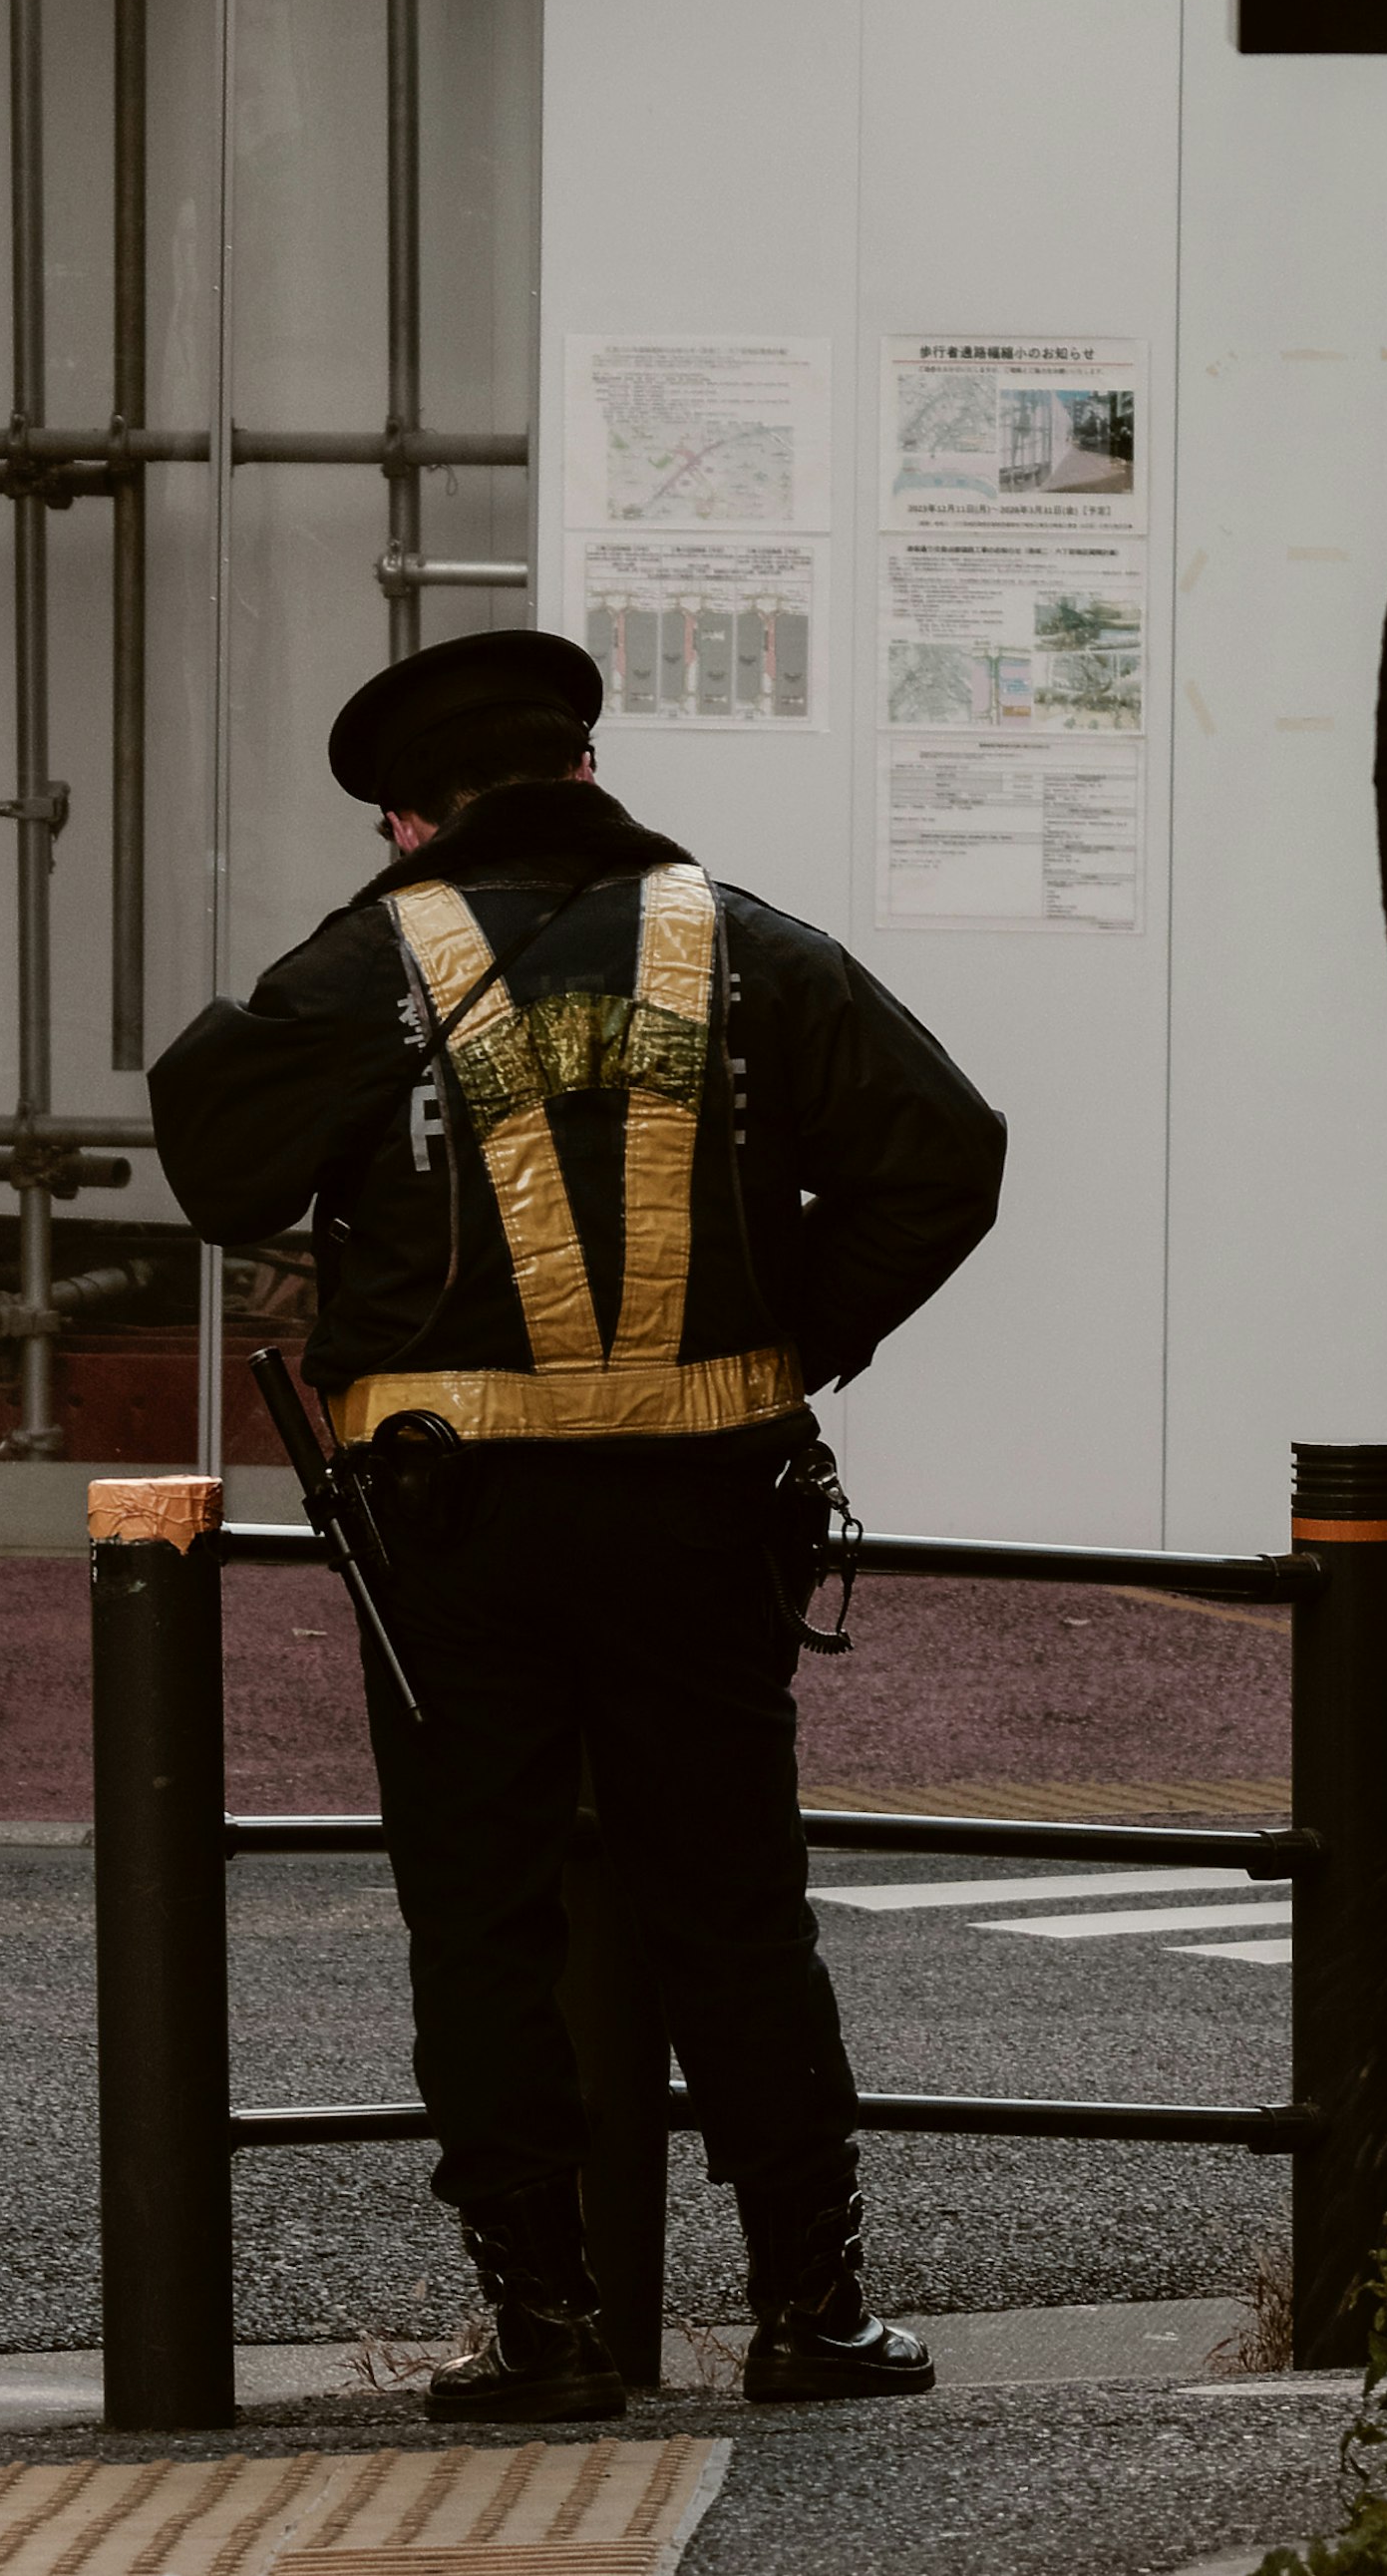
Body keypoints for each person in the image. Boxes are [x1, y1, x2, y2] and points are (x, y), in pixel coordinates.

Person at [150, 628, 1006, 2425]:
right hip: (708, 1505)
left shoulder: (369, 959)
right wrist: (793, 1329)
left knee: (481, 1915)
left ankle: (546, 2329)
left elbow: (216, 1155)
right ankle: (809, 2309)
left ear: (409, 817)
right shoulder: (748, 947)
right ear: (588, 769)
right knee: (735, 1904)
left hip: (453, 1526)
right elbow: (949, 1148)